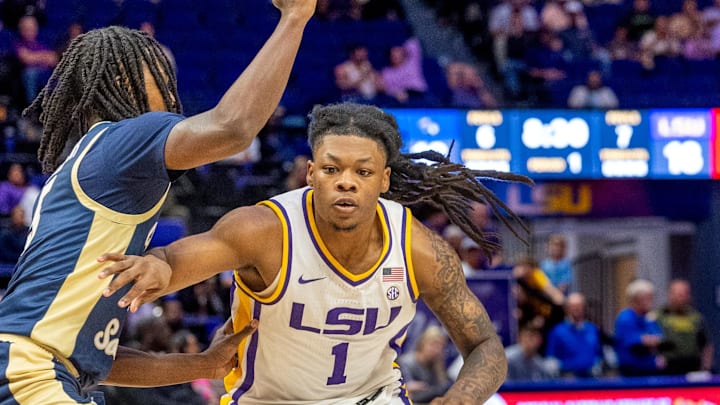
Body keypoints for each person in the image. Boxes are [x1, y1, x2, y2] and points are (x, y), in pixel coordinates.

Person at [99, 102, 534, 404]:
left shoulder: (420, 248)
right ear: (311, 173)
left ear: (383, 180)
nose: (346, 181)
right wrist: (155, 266)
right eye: (332, 169)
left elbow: (485, 346)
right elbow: (175, 260)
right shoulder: (264, 230)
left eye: (362, 171)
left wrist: (461, 397)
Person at [0, 0, 317, 403]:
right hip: (32, 376)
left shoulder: (94, 163)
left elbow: (96, 363)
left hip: (33, 371)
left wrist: (203, 364)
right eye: (162, 76)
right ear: (122, 78)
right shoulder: (122, 140)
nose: (171, 91)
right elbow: (234, 128)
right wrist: (295, 18)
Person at [655, 279, 714, 375]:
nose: (680, 298)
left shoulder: (696, 318)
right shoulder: (657, 317)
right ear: (670, 295)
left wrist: (706, 367)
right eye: (677, 294)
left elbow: (706, 345)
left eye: (683, 294)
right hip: (667, 368)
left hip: (692, 366)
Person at [613, 279, 666, 376]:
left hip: (651, 370)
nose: (651, 302)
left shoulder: (649, 318)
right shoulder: (625, 318)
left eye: (651, 298)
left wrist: (651, 341)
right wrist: (647, 340)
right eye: (648, 298)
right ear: (635, 300)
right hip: (632, 372)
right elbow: (633, 342)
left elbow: (659, 338)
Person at [545, 292, 603, 377]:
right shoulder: (557, 331)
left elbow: (599, 354)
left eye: (579, 306)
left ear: (584, 307)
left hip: (591, 379)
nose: (576, 309)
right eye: (573, 306)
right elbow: (550, 358)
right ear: (566, 309)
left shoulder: (592, 329)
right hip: (567, 379)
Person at [396, 325, 451, 403]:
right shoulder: (406, 362)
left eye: (441, 346)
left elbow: (443, 388)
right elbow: (409, 390)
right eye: (434, 344)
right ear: (422, 344)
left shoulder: (435, 365)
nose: (437, 350)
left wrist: (439, 368)